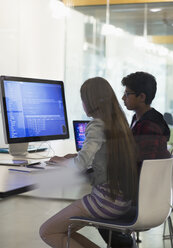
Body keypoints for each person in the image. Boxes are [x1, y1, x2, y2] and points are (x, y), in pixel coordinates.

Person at [39, 77, 139, 248]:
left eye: (83, 100)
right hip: (122, 201)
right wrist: (72, 158)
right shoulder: (119, 123)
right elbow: (102, 156)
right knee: (62, 230)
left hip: (105, 201)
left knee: (48, 231)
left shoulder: (96, 125)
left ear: (90, 102)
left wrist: (63, 163)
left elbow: (80, 165)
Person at [99, 71, 171, 247]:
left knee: (100, 209)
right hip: (153, 194)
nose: (123, 97)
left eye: (127, 93)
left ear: (141, 97)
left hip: (143, 197)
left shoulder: (148, 127)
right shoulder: (141, 120)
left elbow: (137, 165)